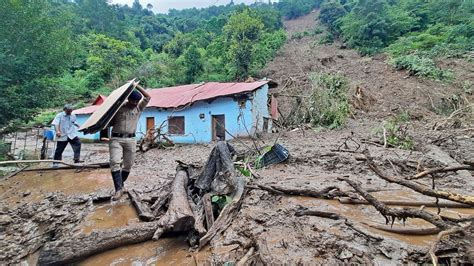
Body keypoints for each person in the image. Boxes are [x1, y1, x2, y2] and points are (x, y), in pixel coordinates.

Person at [108, 84, 151, 200]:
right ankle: (118, 190)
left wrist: (136, 86)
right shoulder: (118, 108)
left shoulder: (139, 108)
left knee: (128, 165)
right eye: (133, 101)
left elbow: (148, 97)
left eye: (137, 101)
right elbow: (107, 121)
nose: (135, 103)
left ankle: (120, 185)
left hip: (131, 140)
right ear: (128, 99)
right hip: (116, 139)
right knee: (115, 162)